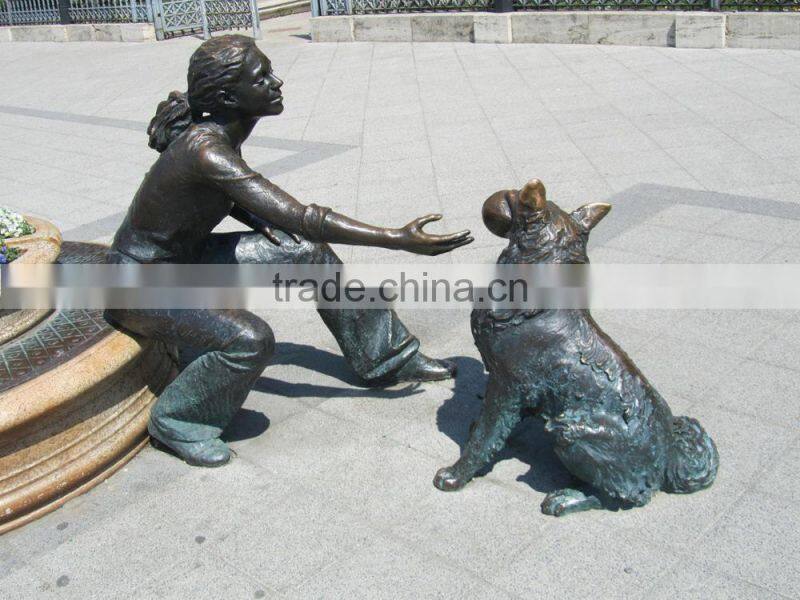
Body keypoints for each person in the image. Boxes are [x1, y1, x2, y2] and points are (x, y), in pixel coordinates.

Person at [105, 34, 473, 467]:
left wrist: (260, 221)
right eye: (261, 78)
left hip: (186, 262)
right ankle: (179, 419)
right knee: (251, 339)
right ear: (228, 96)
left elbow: (234, 203)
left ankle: (386, 356)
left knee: (308, 252)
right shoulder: (206, 152)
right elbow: (302, 215)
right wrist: (397, 238)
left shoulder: (216, 138)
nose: (276, 82)